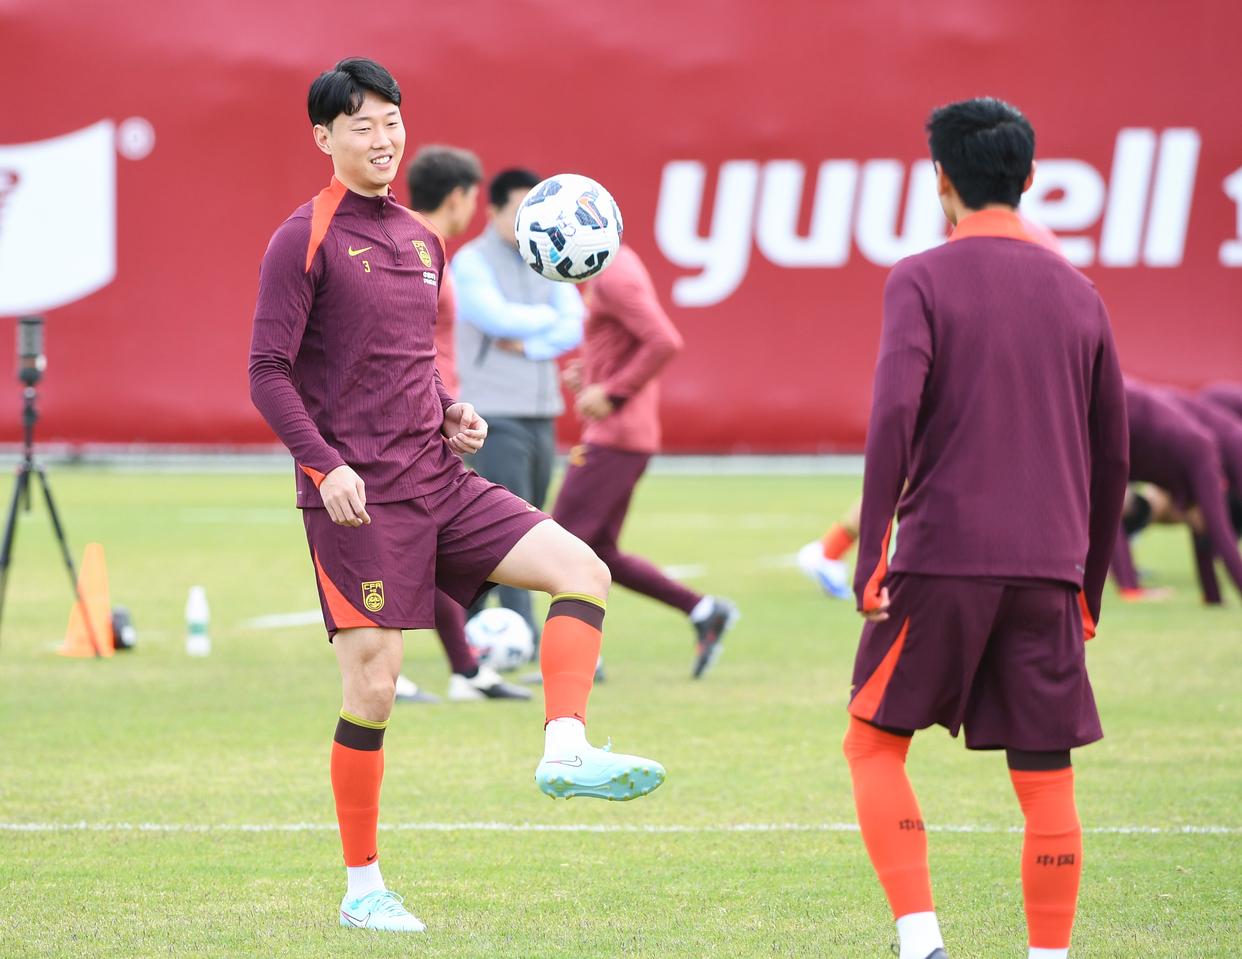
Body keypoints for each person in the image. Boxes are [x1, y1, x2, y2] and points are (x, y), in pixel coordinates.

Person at [248, 58, 663, 935]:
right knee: (375, 688)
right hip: (356, 499)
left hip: (439, 478)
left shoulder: (419, 239)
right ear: (324, 137)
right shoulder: (303, 237)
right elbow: (268, 372)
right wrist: (326, 466)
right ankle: (363, 888)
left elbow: (404, 363)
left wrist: (449, 411)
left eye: (392, 120)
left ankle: (565, 747)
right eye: (361, 124)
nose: (382, 138)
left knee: (582, 569)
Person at [843, 98, 1128, 959]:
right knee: (1046, 774)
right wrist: (1086, 586)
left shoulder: (920, 277)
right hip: (1050, 569)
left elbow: (894, 414)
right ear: (1031, 177)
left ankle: (922, 940)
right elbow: (1113, 455)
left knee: (873, 742)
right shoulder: (1080, 293)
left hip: (943, 559)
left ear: (940, 178)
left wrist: (871, 552)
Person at [548, 243, 738, 679]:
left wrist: (612, 391)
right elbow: (629, 341)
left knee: (559, 548)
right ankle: (703, 610)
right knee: (599, 552)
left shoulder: (613, 275)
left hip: (615, 437)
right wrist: (593, 373)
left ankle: (581, 658)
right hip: (623, 436)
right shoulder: (615, 264)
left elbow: (664, 340)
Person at [393, 144, 529, 703]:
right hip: (415, 421)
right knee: (406, 547)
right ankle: (408, 670)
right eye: (472, 196)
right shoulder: (410, 252)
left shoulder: (427, 248)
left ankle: (464, 670)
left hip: (436, 416)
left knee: (424, 549)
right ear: (459, 196)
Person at [451, 169, 585, 640]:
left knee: (527, 516)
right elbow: (493, 316)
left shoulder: (547, 255)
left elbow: (575, 324)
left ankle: (463, 622)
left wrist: (529, 345)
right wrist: (549, 319)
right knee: (517, 526)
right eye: (518, 212)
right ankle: (521, 635)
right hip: (492, 411)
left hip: (541, 409)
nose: (529, 222)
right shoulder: (472, 261)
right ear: (492, 211)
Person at [1112, 379, 1242, 605]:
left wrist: (1213, 597)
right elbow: (1220, 532)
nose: (1199, 531)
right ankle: (1130, 587)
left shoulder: (1192, 465)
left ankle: (1130, 587)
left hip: (1130, 412)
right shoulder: (1202, 452)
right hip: (1122, 402)